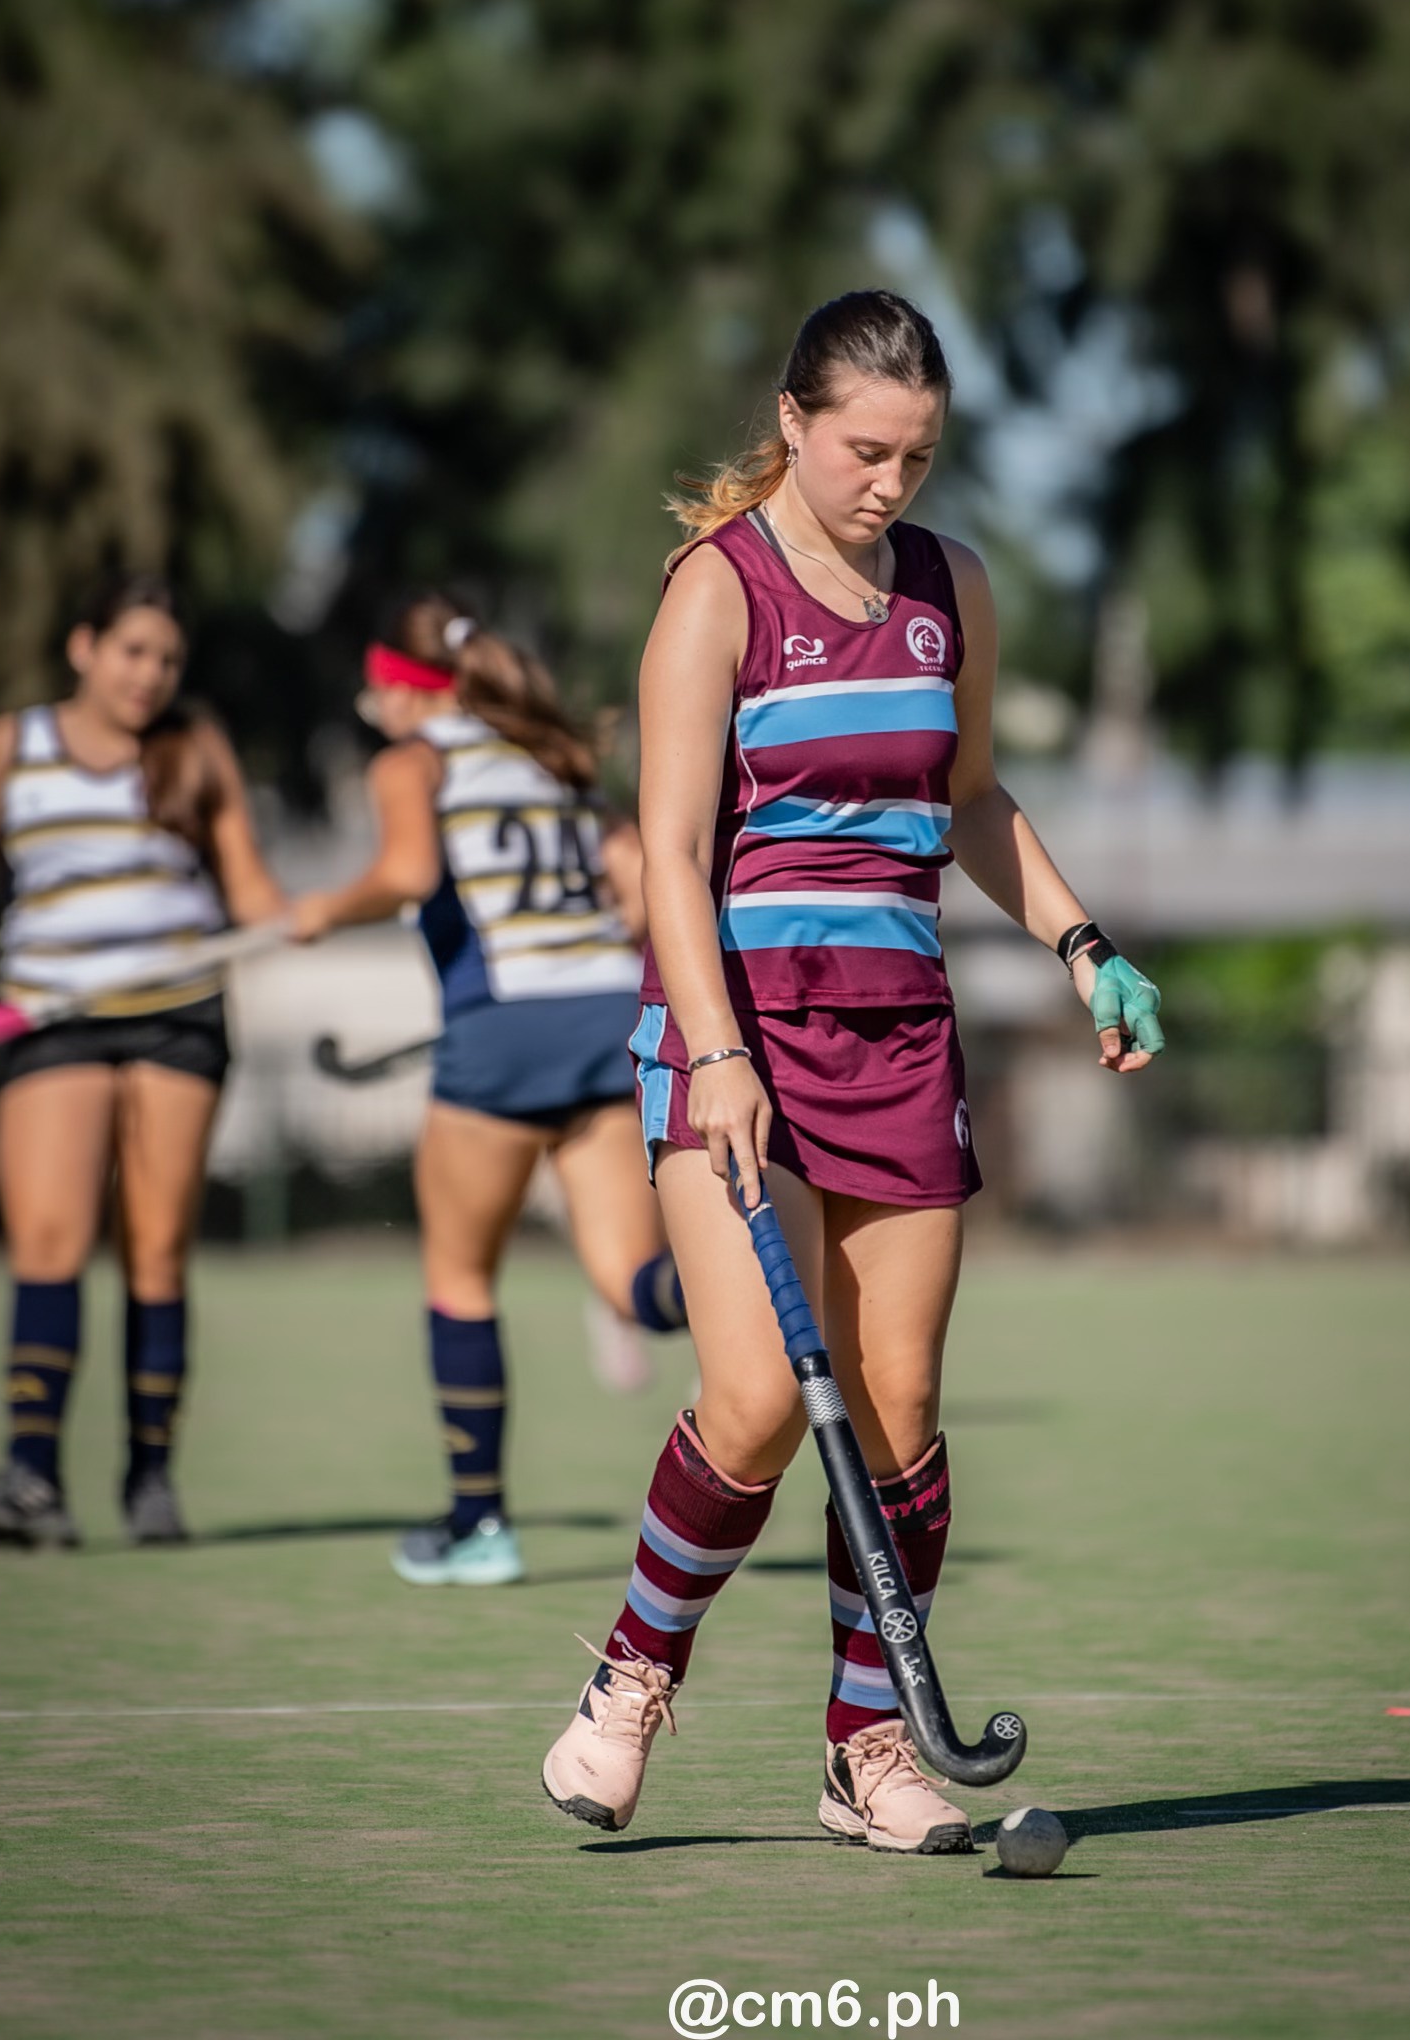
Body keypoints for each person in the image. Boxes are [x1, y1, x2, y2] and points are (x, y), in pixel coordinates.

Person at [539, 290, 1165, 1854]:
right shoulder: (717, 590)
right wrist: (722, 1052)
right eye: (865, 451)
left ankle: (865, 1751)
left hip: (899, 1036)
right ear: (795, 422)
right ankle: (631, 1679)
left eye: (918, 457)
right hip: (736, 1029)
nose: (890, 485)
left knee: (899, 1413)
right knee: (752, 1402)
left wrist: (1086, 945)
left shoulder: (951, 588)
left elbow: (968, 799)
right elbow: (673, 858)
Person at [289, 596, 688, 1587]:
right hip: (607, 1019)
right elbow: (631, 885)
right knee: (630, 1284)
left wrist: (324, 910)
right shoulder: (547, 758)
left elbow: (408, 870)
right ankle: (739, 1294)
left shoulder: (411, 761)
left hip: (500, 1031)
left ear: (403, 688)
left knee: (461, 1279)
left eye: (375, 684)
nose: (365, 700)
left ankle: (479, 1526)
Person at [0, 573, 286, 1548]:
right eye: (133, 651)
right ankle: (32, 1478)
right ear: (83, 646)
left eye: (167, 658)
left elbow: (246, 878)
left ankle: (150, 1476)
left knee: (156, 1246)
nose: (150, 674)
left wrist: (287, 917)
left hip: (179, 1014)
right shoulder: (10, 747)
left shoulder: (193, 744)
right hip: (50, 1017)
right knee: (47, 1239)